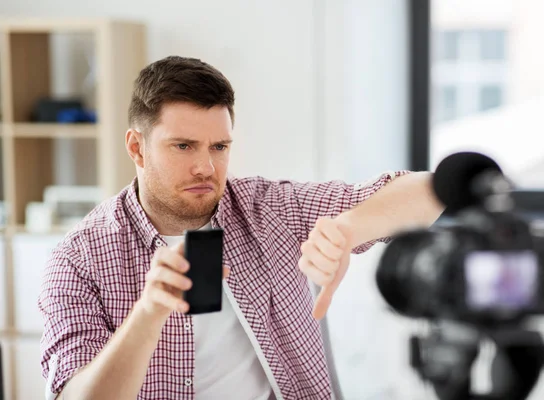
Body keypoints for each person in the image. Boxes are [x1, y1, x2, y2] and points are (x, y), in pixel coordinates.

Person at [38, 56, 444, 400]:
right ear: (136, 148)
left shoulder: (269, 210)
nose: (206, 167)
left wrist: (347, 229)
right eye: (183, 146)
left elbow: (431, 192)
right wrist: (148, 313)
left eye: (219, 147)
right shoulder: (78, 259)